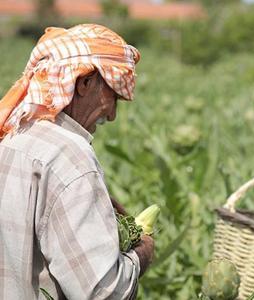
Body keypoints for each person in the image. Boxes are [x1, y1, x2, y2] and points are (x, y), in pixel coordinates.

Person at [0, 24, 154, 299]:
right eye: (113, 97)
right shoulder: (70, 156)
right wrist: (142, 254)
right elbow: (103, 292)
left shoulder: (11, 136)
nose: (113, 114)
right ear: (84, 83)